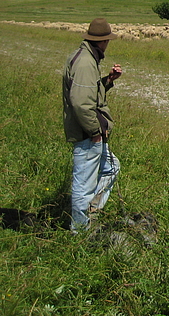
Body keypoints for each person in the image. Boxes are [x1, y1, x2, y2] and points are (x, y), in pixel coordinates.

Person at [62, 17, 123, 231]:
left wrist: (108, 80)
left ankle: (91, 212)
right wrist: (95, 131)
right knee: (83, 185)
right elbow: (80, 103)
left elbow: (89, 93)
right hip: (87, 135)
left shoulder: (86, 57)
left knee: (112, 168)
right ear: (104, 41)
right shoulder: (85, 63)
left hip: (90, 133)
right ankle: (79, 230)